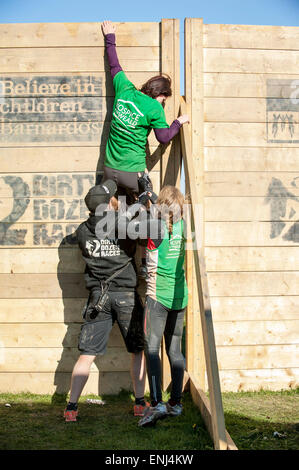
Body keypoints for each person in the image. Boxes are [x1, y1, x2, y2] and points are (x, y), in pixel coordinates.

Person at [64, 180, 149, 422]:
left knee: (86, 354)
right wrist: (142, 204)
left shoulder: (81, 231)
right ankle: (140, 404)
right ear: (108, 204)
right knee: (137, 351)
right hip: (125, 297)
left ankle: (71, 407)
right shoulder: (122, 226)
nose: (116, 199)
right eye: (113, 197)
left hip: (97, 297)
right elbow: (145, 237)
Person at [101, 20, 189, 196]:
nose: (163, 103)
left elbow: (114, 65)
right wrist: (178, 122)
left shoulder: (124, 88)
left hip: (109, 169)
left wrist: (110, 37)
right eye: (164, 99)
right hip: (134, 173)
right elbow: (163, 137)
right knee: (143, 214)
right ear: (159, 95)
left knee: (112, 216)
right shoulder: (154, 108)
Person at [138, 185, 188, 427]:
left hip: (157, 297)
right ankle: (175, 404)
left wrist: (146, 200)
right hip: (179, 297)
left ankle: (157, 402)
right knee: (175, 351)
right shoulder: (184, 227)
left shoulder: (154, 226)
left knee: (152, 349)